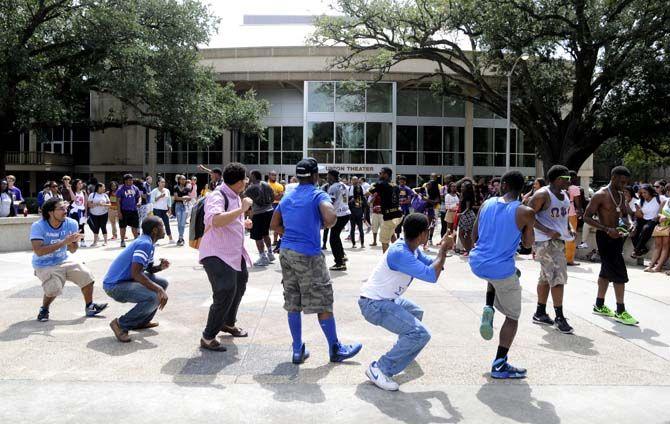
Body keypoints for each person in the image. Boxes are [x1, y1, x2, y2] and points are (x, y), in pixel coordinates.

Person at [271, 157, 362, 364]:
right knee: (323, 301)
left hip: (286, 253)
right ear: (315, 176)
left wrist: (292, 232)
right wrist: (319, 226)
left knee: (293, 301)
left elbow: (274, 224)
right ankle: (335, 348)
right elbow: (330, 218)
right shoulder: (317, 194)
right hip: (308, 255)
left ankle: (297, 350)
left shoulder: (288, 196)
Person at [359, 213, 454, 391]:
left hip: (387, 299)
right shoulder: (400, 252)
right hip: (374, 304)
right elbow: (431, 275)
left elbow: (432, 264)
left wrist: (445, 249)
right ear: (422, 235)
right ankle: (380, 368)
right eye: (428, 231)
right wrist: (442, 249)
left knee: (416, 312)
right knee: (420, 334)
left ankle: (403, 351)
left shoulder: (412, 248)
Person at [470, 170, 535, 379]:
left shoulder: (486, 204)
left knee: (503, 273)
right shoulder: (525, 211)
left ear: (504, 185)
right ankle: (499, 365)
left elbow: (474, 235)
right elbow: (528, 244)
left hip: (477, 262)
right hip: (499, 268)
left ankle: (489, 306)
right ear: (521, 189)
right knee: (513, 317)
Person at [198, 163, 253, 351]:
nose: (246, 182)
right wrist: (241, 210)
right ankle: (207, 337)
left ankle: (228, 323)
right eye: (245, 179)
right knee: (225, 291)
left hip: (234, 253)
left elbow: (228, 220)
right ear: (239, 182)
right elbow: (215, 219)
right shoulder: (217, 195)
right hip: (216, 254)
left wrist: (242, 222)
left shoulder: (235, 195)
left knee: (240, 283)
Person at [31, 198, 108, 322]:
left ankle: (90, 306)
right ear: (51, 212)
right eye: (61, 209)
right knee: (53, 289)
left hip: (64, 259)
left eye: (66, 208)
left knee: (87, 276)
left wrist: (73, 241)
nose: (65, 211)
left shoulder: (71, 223)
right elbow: (38, 251)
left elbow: (72, 250)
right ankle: (44, 309)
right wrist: (64, 242)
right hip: (44, 263)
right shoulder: (38, 226)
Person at [583, 166, 638, 325]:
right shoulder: (601, 195)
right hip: (605, 236)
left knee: (606, 271)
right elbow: (586, 217)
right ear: (613, 177)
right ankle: (620, 310)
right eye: (621, 181)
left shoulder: (620, 196)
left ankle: (599, 305)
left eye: (626, 182)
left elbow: (626, 215)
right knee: (619, 272)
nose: (624, 185)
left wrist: (630, 225)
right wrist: (606, 229)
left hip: (617, 236)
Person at [104, 216, 169, 342]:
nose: (165, 229)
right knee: (154, 296)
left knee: (162, 282)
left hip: (126, 280)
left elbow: (148, 270)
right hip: (115, 286)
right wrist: (159, 290)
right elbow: (136, 273)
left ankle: (141, 321)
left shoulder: (149, 243)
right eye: (162, 226)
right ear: (155, 230)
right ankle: (120, 324)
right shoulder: (144, 243)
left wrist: (160, 267)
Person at [528, 165, 575, 334]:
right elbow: (526, 215)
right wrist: (547, 230)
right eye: (567, 178)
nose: (570, 181)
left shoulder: (564, 195)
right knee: (557, 277)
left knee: (546, 278)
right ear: (557, 179)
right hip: (545, 242)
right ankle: (559, 317)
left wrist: (569, 227)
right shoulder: (542, 194)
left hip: (558, 241)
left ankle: (540, 312)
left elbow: (563, 217)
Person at [244, 170, 276, 266]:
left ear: (253, 176)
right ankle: (270, 253)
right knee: (265, 234)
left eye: (250, 176)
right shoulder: (266, 184)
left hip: (259, 213)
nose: (249, 177)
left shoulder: (251, 188)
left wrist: (246, 184)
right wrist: (268, 203)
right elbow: (273, 196)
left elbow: (243, 196)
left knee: (258, 237)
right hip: (269, 211)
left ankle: (263, 257)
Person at [367, 167, 402, 253]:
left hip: (389, 217)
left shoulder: (381, 184)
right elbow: (391, 200)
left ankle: (386, 263)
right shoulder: (395, 185)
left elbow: (367, 193)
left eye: (381, 173)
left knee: (384, 241)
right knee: (391, 235)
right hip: (397, 215)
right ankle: (400, 253)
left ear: (386, 174)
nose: (379, 174)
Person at [327, 169, 351, 271]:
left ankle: (339, 263)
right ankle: (342, 255)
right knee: (336, 236)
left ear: (332, 176)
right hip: (346, 213)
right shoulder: (344, 185)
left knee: (333, 239)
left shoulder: (333, 187)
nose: (327, 178)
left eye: (328, 176)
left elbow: (330, 202)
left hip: (339, 215)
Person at [631, 184, 661, 258]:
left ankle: (636, 250)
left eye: (645, 192)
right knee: (632, 231)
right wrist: (637, 208)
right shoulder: (640, 201)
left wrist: (659, 215)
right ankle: (643, 249)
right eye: (641, 193)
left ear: (650, 191)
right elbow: (637, 215)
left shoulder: (658, 198)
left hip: (654, 220)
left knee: (646, 228)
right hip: (643, 219)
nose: (643, 194)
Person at [645, 196, 670, 273]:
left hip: (668, 227)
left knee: (665, 247)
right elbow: (658, 214)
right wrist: (661, 216)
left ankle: (658, 267)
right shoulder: (665, 201)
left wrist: (668, 218)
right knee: (658, 246)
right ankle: (651, 265)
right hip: (661, 227)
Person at [116, 174, 141, 248]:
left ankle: (136, 240)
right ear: (125, 181)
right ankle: (122, 241)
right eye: (130, 180)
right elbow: (118, 202)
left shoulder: (135, 188)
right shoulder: (121, 189)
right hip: (124, 211)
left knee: (135, 226)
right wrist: (119, 212)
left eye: (132, 180)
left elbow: (138, 197)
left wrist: (139, 202)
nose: (131, 181)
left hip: (133, 210)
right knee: (123, 227)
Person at [150, 177, 173, 243]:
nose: (163, 183)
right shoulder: (154, 191)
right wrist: (160, 196)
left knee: (167, 223)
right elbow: (152, 201)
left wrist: (170, 209)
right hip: (157, 210)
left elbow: (169, 200)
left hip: (164, 210)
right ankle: (156, 240)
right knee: (157, 225)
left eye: (164, 182)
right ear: (158, 183)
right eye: (162, 182)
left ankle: (170, 238)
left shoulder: (167, 190)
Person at [87, 182, 111, 247]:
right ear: (99, 188)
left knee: (103, 227)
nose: (104, 188)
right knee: (96, 227)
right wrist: (97, 204)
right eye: (103, 187)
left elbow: (109, 204)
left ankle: (105, 241)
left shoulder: (105, 195)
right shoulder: (92, 195)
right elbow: (89, 205)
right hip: (94, 214)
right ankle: (95, 242)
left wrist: (104, 204)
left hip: (104, 213)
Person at [458, 181, 477, 256]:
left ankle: (468, 250)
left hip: (466, 215)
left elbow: (468, 208)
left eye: (463, 187)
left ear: (467, 189)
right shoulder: (463, 195)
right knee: (467, 234)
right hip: (468, 215)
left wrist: (461, 214)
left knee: (462, 234)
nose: (461, 188)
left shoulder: (467, 196)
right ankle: (469, 250)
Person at [172, 175, 190, 246]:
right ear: (179, 180)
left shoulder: (187, 189)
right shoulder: (175, 187)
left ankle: (180, 238)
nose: (183, 180)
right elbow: (176, 198)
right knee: (179, 223)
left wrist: (187, 198)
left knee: (183, 223)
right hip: (178, 206)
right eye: (182, 179)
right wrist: (184, 198)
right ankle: (180, 238)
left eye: (184, 179)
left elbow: (189, 198)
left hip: (185, 206)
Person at [268, 170, 284, 246]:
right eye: (272, 175)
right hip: (267, 206)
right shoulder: (266, 185)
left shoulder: (279, 186)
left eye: (275, 175)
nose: (274, 176)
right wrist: (275, 196)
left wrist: (272, 196)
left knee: (278, 223)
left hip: (277, 205)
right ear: (269, 175)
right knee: (271, 225)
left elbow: (280, 197)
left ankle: (278, 241)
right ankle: (274, 241)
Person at [69, 179, 88, 247]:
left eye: (81, 183)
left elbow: (85, 202)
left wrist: (86, 212)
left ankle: (82, 240)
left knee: (81, 226)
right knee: (73, 226)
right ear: (76, 185)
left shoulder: (84, 192)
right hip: (74, 212)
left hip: (81, 211)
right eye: (79, 183)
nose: (81, 184)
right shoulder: (73, 192)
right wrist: (70, 189)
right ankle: (72, 242)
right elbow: (73, 199)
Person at [349, 181, 367, 248]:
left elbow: (365, 208)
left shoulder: (363, 198)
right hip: (352, 216)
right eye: (357, 188)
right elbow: (349, 207)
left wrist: (365, 217)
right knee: (352, 229)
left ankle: (362, 243)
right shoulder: (351, 198)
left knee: (361, 230)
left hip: (360, 216)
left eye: (359, 189)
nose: (358, 190)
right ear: (354, 190)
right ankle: (353, 244)